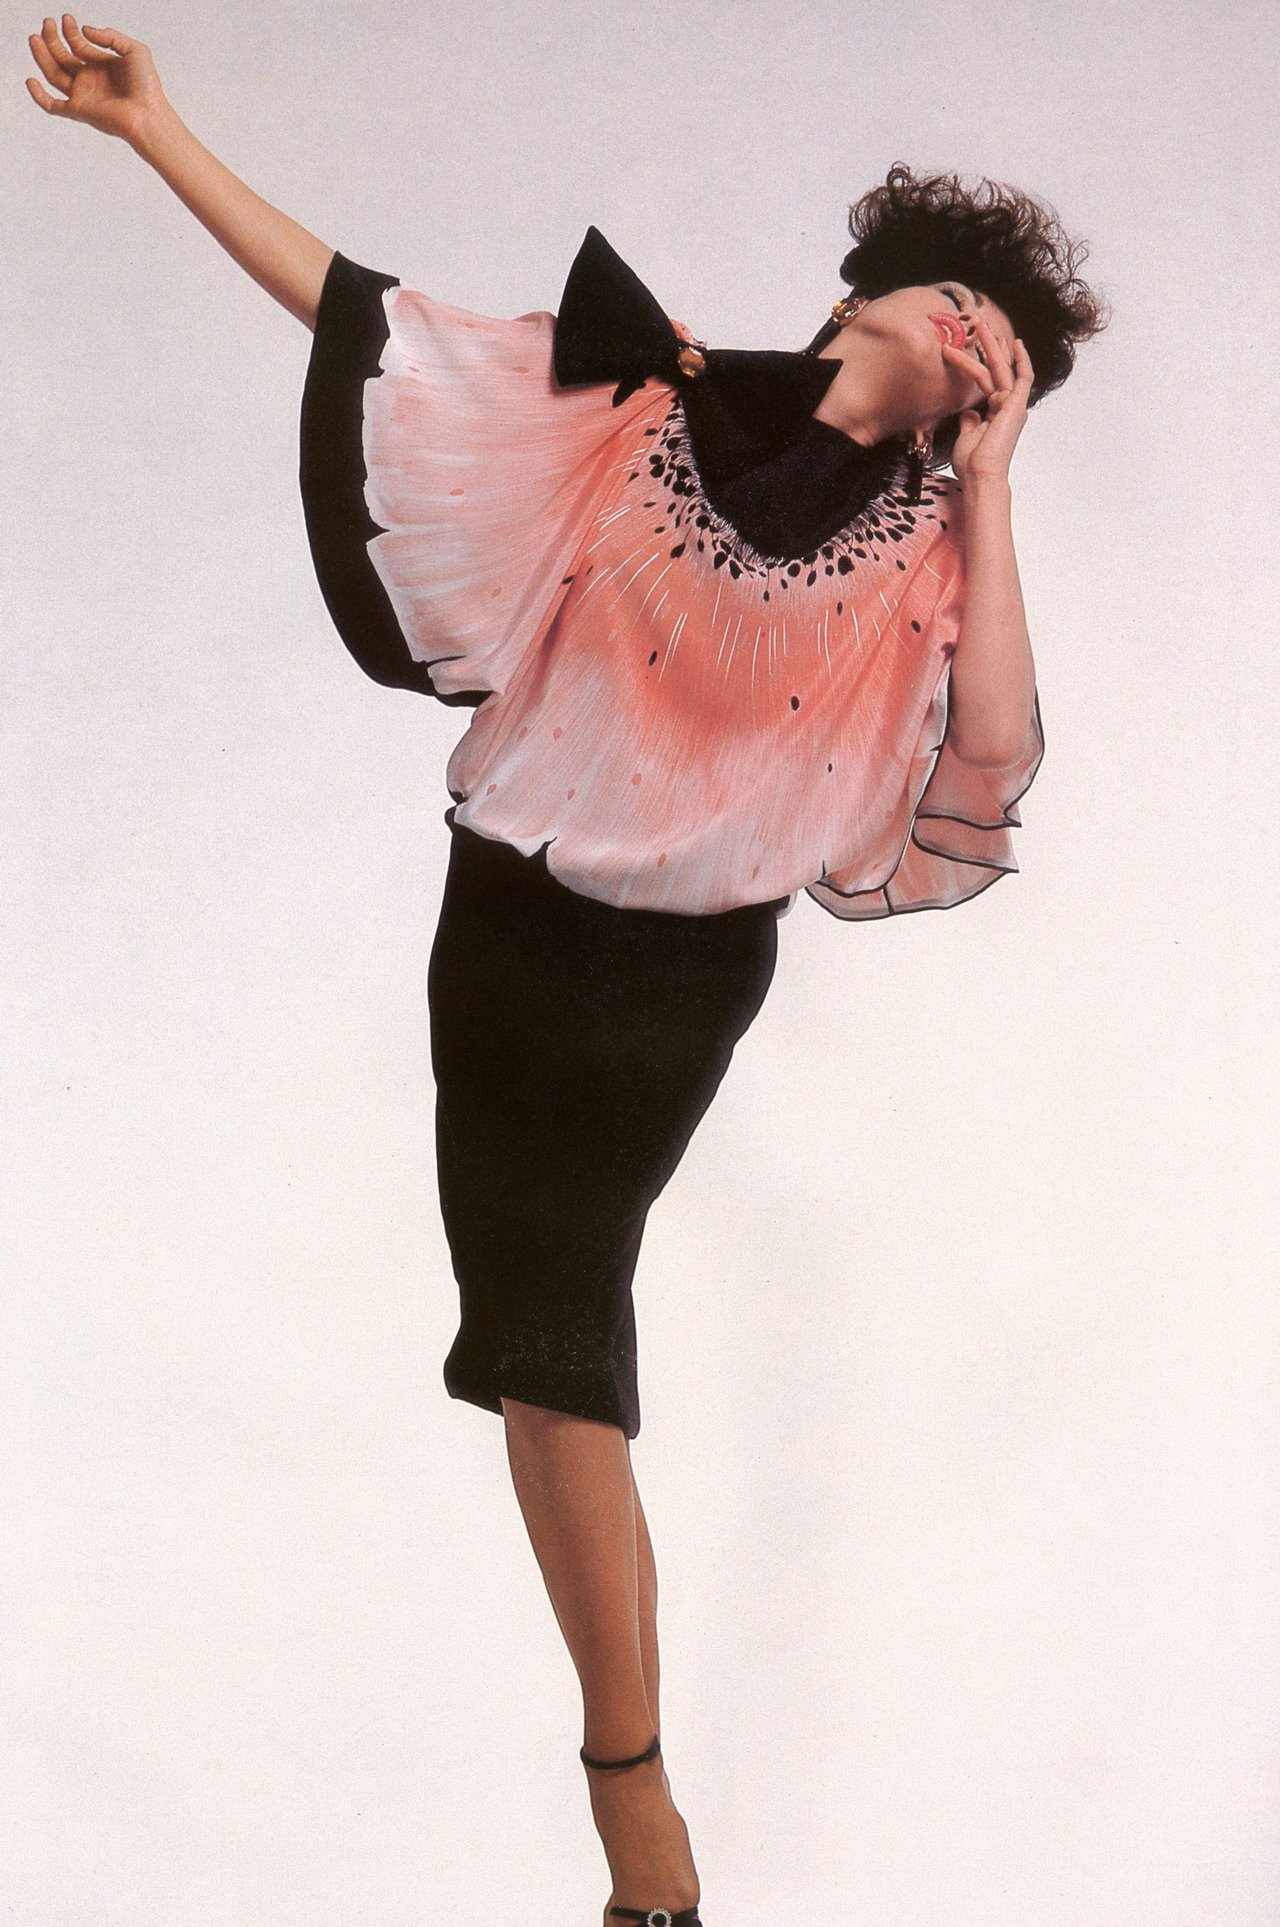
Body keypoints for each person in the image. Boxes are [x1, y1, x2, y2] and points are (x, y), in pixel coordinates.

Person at [25, 18, 1108, 1925]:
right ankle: (637, 1803)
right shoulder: (641, 398)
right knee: (544, 1355)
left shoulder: (940, 541)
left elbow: (993, 755)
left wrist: (997, 485)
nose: (968, 325)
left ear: (983, 397)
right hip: (509, 931)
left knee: (557, 1335)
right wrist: (154, 130)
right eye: (951, 290)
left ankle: (634, 1803)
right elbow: (375, 326)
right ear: (861, 294)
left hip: (678, 987)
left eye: (999, 342)